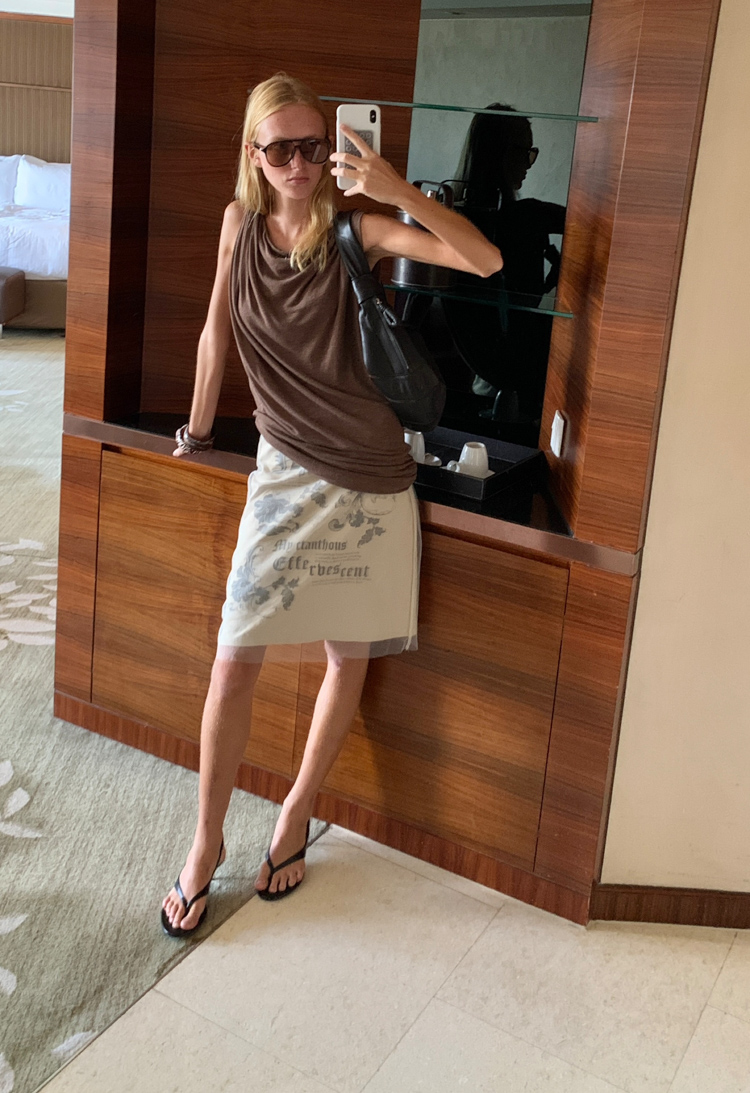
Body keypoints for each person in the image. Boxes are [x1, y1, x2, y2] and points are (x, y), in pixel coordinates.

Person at [160, 72, 503, 937]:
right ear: (253, 154)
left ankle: (295, 813)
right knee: (233, 659)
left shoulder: (358, 229)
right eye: (280, 148)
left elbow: (485, 260)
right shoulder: (238, 226)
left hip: (369, 474)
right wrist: (196, 428)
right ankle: (204, 844)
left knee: (347, 657)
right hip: (282, 469)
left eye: (313, 145)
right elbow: (214, 331)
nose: (300, 163)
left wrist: (394, 189)